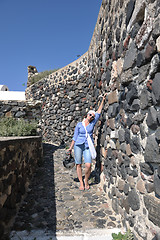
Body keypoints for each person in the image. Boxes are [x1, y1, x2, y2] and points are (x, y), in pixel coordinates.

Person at [68, 93, 107, 190]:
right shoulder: (79, 125)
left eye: (93, 116)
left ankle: (86, 179)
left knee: (88, 164)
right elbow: (75, 137)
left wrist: (103, 100)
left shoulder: (93, 122)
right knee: (79, 164)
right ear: (87, 115)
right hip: (78, 145)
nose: (91, 116)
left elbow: (98, 111)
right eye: (90, 115)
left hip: (87, 146)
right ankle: (81, 182)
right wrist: (70, 148)